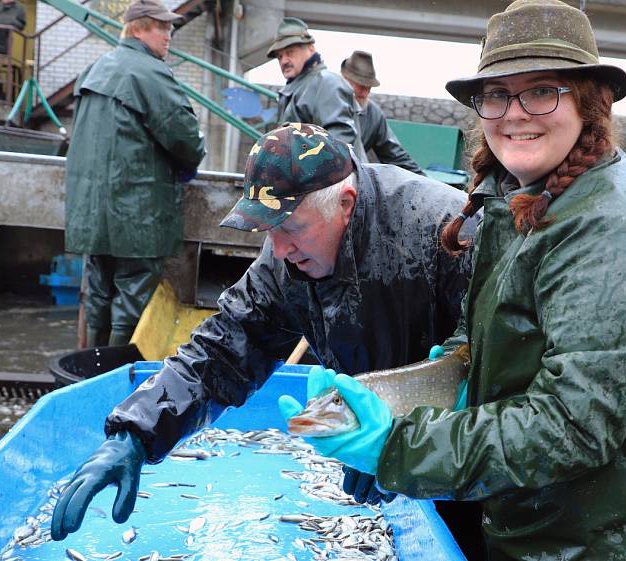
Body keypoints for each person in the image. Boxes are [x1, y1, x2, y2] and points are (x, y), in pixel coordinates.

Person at [284, 1, 626, 560]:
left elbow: (572, 424)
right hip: (546, 526)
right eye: (497, 94)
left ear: (589, 103)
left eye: (542, 90)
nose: (515, 113)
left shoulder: (619, 233)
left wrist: (398, 447)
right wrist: (411, 392)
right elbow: (485, 343)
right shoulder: (518, 199)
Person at [50, 122, 475, 542]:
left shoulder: (447, 229)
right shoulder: (284, 261)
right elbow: (222, 349)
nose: (279, 248)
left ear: (345, 203)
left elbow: (494, 368)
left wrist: (408, 443)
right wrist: (136, 433)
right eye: (269, 230)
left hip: (473, 462)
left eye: (290, 228)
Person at [64, 0, 206, 348]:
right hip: (137, 213)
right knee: (133, 295)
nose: (169, 34)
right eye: (163, 27)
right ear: (139, 28)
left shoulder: (94, 70)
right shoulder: (150, 72)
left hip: (90, 214)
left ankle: (91, 368)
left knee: (98, 291)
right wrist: (189, 163)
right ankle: (117, 374)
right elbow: (186, 139)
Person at [267, 16, 368, 161]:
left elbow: (340, 144)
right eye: (280, 56)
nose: (284, 61)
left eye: (290, 52)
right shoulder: (298, 89)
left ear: (311, 49)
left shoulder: (326, 83)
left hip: (335, 181)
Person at [340, 50, 424, 175]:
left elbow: (394, 154)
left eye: (368, 87)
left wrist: (424, 180)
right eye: (361, 86)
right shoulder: (325, 104)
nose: (365, 93)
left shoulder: (374, 114)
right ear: (344, 80)